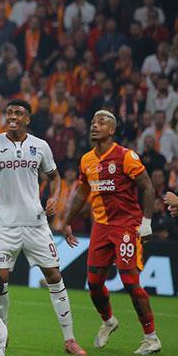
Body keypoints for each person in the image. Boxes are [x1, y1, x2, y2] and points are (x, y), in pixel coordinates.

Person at [0, 99, 85, 354]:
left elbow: (55, 177)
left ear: (28, 119)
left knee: (54, 276)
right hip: (5, 225)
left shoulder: (40, 146)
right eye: (9, 113)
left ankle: (70, 339)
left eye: (18, 113)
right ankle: (1, 337)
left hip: (36, 223)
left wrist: (55, 197)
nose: (13, 116)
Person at [60, 110, 161, 354]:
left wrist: (146, 222)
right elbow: (82, 193)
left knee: (130, 282)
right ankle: (108, 321)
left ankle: (151, 338)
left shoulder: (126, 156)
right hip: (101, 227)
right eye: (93, 122)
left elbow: (147, 187)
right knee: (94, 284)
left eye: (101, 122)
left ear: (112, 130)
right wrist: (67, 221)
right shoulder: (86, 160)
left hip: (126, 225)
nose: (95, 126)